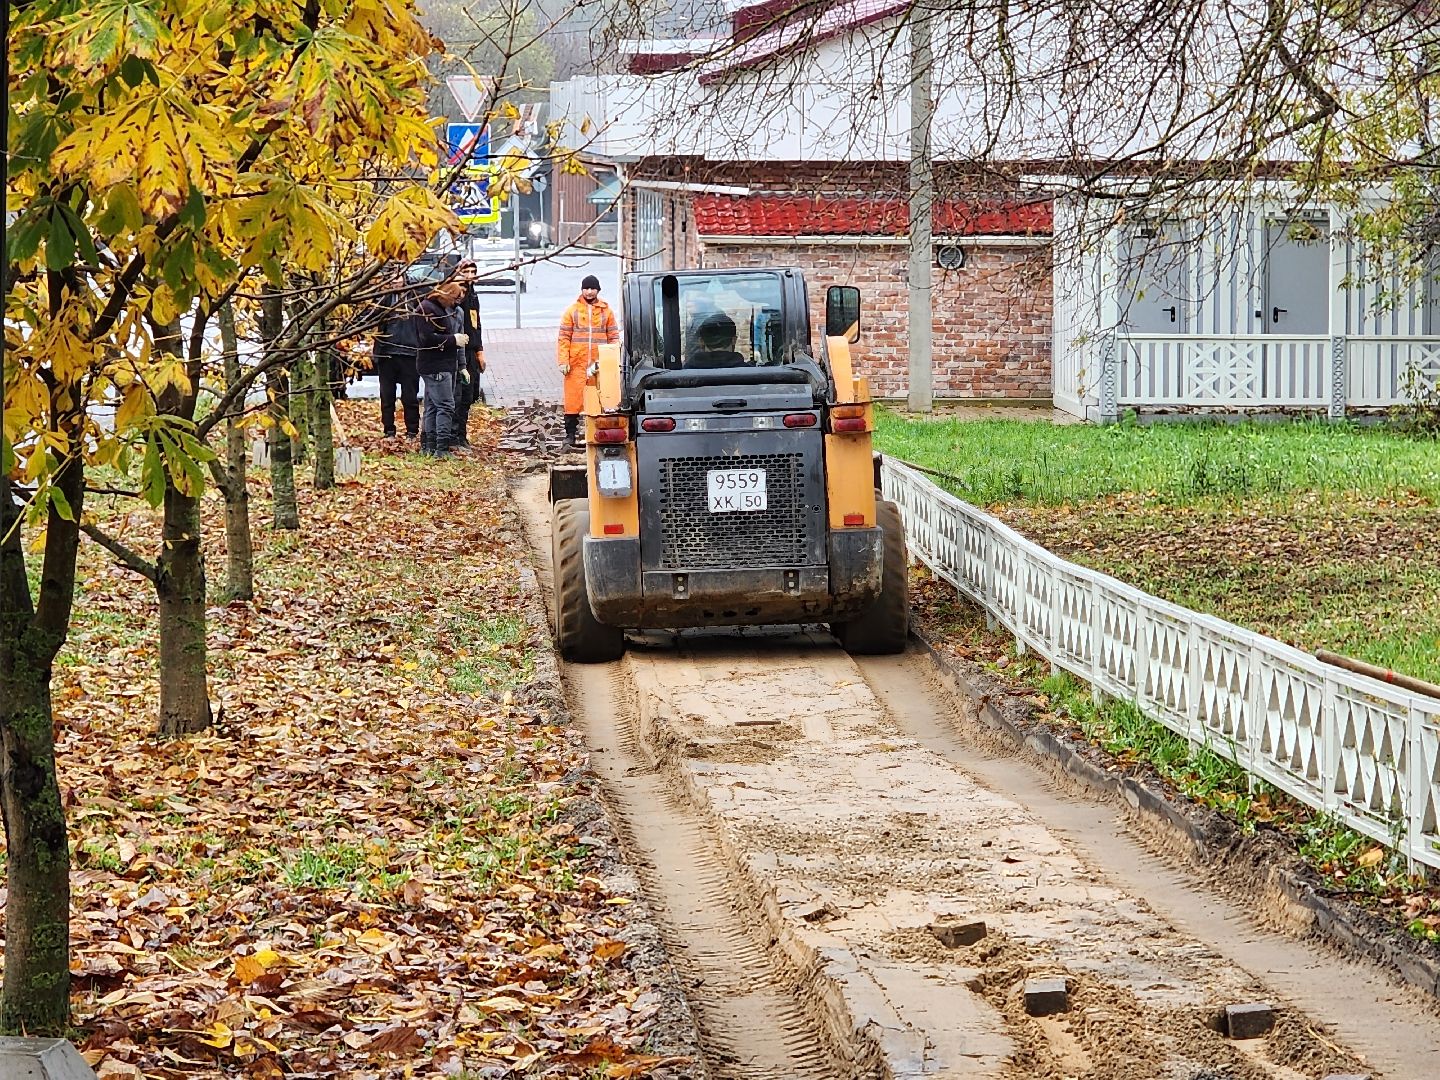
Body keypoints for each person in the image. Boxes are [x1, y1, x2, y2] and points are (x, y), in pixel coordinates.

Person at [556, 273, 619, 447]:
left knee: (599, 399)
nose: (589, 292)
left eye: (592, 288)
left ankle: (598, 434)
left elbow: (613, 337)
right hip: (576, 365)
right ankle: (570, 436)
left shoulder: (607, 311)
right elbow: (563, 337)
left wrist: (611, 360)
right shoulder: (572, 311)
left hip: (599, 366)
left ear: (598, 290)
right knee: (573, 401)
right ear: (582, 290)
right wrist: (563, 361)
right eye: (586, 288)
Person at [415, 281, 468, 457]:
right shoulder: (429, 309)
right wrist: (453, 340)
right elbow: (427, 338)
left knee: (432, 406)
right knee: (445, 405)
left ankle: (429, 446)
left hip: (437, 364)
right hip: (436, 365)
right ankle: (441, 449)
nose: (455, 304)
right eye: (455, 299)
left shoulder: (433, 308)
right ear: (448, 296)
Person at [372, 271, 422, 439]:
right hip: (387, 354)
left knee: (410, 396)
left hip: (409, 353)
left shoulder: (415, 296)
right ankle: (389, 430)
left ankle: (412, 431)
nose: (396, 282)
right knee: (387, 396)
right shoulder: (383, 298)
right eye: (392, 278)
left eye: (399, 277)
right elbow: (370, 316)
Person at [452, 260, 486, 451]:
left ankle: (461, 434)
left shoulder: (473, 295)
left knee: (470, 394)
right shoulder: (457, 293)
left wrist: (480, 350)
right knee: (460, 394)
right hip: (458, 348)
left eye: (473, 271)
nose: (471, 275)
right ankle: (455, 435)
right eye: (467, 271)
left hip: (471, 350)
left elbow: (476, 324)